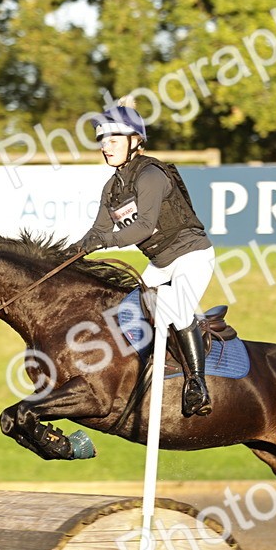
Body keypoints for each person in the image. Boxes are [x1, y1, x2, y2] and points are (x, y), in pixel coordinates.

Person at [74, 101, 216, 417]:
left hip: (192, 256)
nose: (105, 147)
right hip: (160, 264)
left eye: (112, 140)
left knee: (178, 309)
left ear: (135, 141)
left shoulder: (151, 175)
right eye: (102, 140)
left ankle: (197, 385)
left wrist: (103, 241)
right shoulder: (111, 187)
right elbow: (98, 230)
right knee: (126, 312)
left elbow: (143, 228)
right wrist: (72, 253)